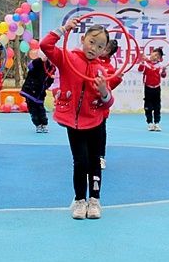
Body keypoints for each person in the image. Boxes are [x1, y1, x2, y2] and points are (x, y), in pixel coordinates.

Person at [40, 18, 114, 220]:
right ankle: (80, 200)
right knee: (80, 162)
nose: (94, 48)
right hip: (74, 122)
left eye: (100, 46)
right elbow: (45, 45)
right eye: (91, 42)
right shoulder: (67, 58)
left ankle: (95, 200)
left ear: (104, 50)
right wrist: (63, 29)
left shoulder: (101, 70)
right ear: (83, 39)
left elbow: (107, 102)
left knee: (94, 163)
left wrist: (103, 91)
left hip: (95, 121)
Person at [98, 39, 123, 169]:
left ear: (109, 54)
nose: (102, 50)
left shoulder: (110, 69)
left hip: (101, 108)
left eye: (106, 49)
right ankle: (87, 156)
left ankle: (100, 157)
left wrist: (117, 79)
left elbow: (109, 88)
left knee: (101, 132)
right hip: (86, 106)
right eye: (102, 46)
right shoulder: (90, 61)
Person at [20, 51, 56, 133]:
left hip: (40, 92)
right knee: (33, 110)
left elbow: (50, 80)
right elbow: (30, 66)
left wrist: (47, 84)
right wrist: (39, 60)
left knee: (41, 109)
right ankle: (38, 125)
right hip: (30, 90)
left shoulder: (52, 68)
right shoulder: (39, 62)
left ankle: (44, 124)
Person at [138, 46, 167, 131]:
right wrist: (142, 62)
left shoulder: (160, 66)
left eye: (157, 56)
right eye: (154, 55)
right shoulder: (146, 64)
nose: (155, 57)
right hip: (148, 88)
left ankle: (157, 123)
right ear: (151, 54)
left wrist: (164, 71)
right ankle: (150, 123)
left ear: (160, 59)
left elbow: (163, 76)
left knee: (157, 107)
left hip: (157, 88)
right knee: (148, 106)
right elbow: (140, 70)